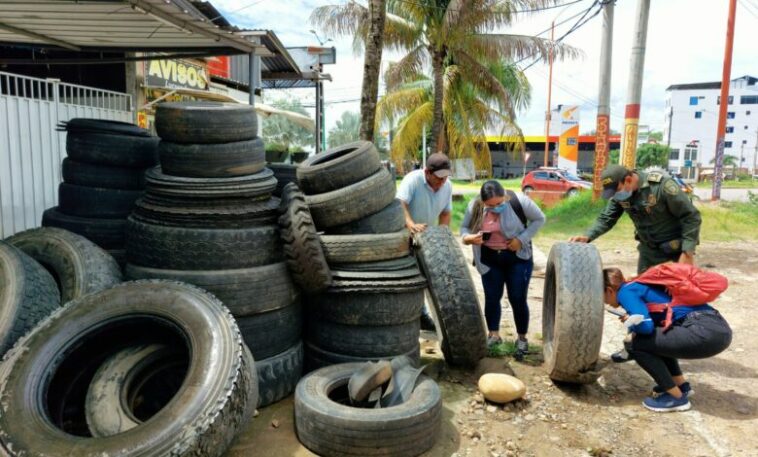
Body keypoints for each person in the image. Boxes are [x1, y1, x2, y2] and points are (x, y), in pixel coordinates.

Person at [603, 267, 732, 412]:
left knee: (637, 345)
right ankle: (681, 387)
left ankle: (676, 399)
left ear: (609, 290)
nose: (603, 302)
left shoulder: (625, 293)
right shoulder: (638, 286)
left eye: (600, 295)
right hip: (717, 328)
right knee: (655, 342)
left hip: (704, 333)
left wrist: (631, 322)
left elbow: (646, 327)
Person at [460, 180, 545, 360]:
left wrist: (521, 239)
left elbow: (539, 219)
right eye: (490, 206)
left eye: (499, 203)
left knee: (517, 297)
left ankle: (522, 339)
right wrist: (468, 238)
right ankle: (494, 335)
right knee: (492, 297)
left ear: (505, 196)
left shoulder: (519, 201)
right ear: (483, 202)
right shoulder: (474, 205)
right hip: (489, 258)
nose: (495, 208)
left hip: (518, 258)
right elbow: (464, 227)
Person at [570, 165, 702, 274]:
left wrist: (687, 252)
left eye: (617, 190)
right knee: (646, 293)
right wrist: (587, 236)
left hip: (674, 252)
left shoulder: (661, 186)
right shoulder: (620, 195)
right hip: (648, 252)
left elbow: (691, 216)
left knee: (676, 296)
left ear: (628, 180)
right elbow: (606, 219)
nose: (616, 195)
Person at [397, 153, 453, 234]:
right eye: (439, 178)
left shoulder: (448, 185)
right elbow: (400, 204)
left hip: (426, 234)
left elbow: (445, 214)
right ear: (427, 172)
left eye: (445, 177)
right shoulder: (413, 179)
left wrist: (441, 235)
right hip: (403, 233)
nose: (442, 182)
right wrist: (411, 224)